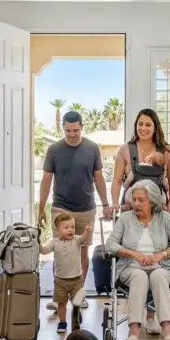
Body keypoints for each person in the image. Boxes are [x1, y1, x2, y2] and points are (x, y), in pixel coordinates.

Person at [106, 108, 170, 335]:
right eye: (140, 124)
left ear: (155, 127)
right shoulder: (125, 150)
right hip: (130, 208)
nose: (143, 128)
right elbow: (117, 180)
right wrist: (115, 203)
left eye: (148, 124)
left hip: (157, 213)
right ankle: (136, 323)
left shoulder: (165, 151)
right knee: (136, 256)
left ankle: (151, 317)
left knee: (156, 253)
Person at [39, 111, 110, 311]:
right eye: (68, 130)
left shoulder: (92, 148)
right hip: (61, 206)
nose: (72, 134)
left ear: (82, 127)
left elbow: (98, 178)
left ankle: (79, 294)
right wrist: (42, 207)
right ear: (63, 128)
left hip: (86, 207)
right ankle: (58, 296)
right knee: (60, 251)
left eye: (76, 130)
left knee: (82, 251)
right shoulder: (54, 150)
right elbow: (46, 180)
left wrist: (105, 204)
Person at [105, 180, 170, 340]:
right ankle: (133, 333)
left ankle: (168, 332)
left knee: (158, 276)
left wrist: (160, 256)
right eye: (134, 199)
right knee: (140, 276)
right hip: (130, 267)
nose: (136, 204)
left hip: (161, 267)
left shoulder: (165, 218)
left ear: (153, 201)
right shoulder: (125, 219)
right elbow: (110, 244)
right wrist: (133, 253)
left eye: (141, 200)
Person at [40, 213, 93, 333]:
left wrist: (88, 231)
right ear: (57, 230)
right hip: (60, 280)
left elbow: (84, 238)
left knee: (77, 301)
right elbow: (44, 251)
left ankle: (76, 314)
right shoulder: (54, 242)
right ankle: (62, 322)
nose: (71, 230)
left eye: (72, 227)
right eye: (66, 227)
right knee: (61, 303)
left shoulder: (76, 240)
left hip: (76, 279)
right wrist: (37, 243)